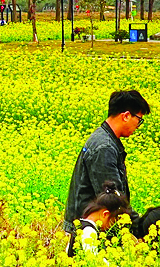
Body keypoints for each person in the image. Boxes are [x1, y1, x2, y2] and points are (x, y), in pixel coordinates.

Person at [64, 89, 150, 252]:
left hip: (91, 227)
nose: (138, 126)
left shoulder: (103, 139)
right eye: (139, 119)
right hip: (91, 231)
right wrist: (143, 229)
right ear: (125, 116)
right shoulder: (104, 148)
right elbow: (113, 199)